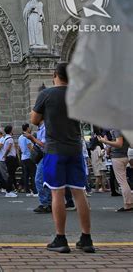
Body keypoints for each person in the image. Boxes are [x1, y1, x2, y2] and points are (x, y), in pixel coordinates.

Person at [31, 62, 95, 253]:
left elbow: (34, 120)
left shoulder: (46, 94)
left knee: (56, 193)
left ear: (55, 75)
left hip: (54, 149)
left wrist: (48, 115)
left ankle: (61, 238)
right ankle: (86, 238)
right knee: (79, 192)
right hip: (75, 148)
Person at [98, 130, 132, 212]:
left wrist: (105, 141)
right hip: (124, 155)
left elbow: (119, 143)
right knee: (124, 181)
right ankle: (129, 203)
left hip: (118, 157)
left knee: (122, 181)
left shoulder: (117, 129)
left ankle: (128, 204)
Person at [19, 124, 38, 196]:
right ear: (27, 128)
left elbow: (20, 148)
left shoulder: (20, 137)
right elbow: (30, 148)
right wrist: (36, 154)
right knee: (33, 175)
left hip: (23, 157)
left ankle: (27, 191)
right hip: (29, 157)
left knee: (26, 175)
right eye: (29, 127)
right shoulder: (27, 137)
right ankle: (35, 191)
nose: (30, 129)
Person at [3, 125, 19, 196]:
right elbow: (9, 148)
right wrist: (5, 155)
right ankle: (8, 191)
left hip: (8, 158)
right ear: (10, 131)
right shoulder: (10, 139)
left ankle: (9, 190)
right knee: (11, 175)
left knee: (10, 174)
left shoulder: (5, 138)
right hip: (11, 158)